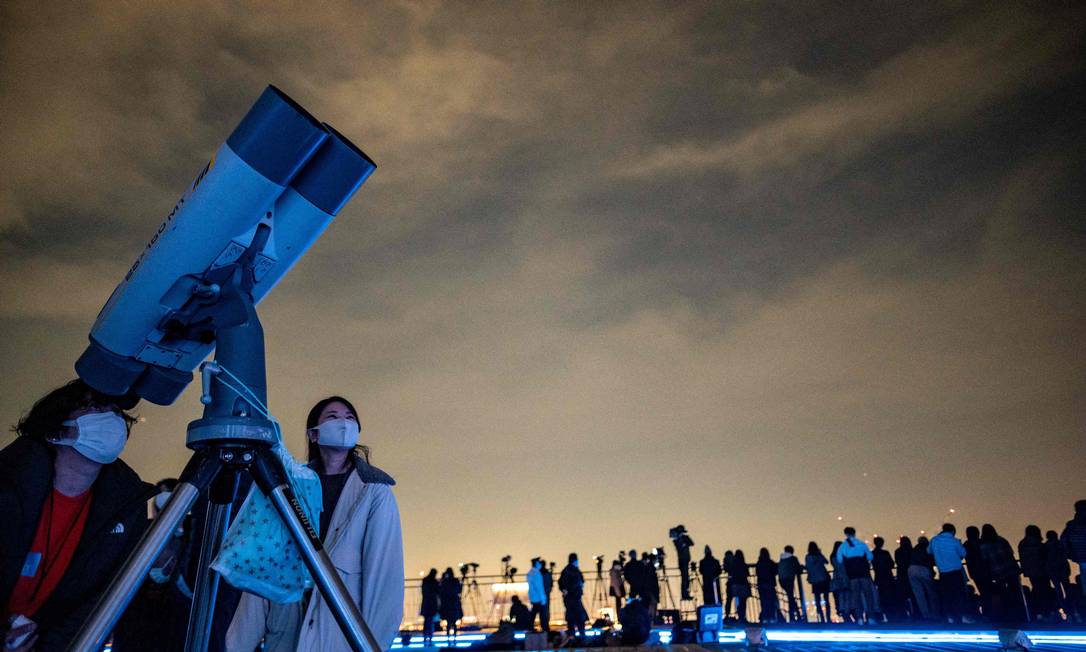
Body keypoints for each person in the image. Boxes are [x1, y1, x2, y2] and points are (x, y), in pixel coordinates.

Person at [226, 396, 404, 652]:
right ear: (313, 434)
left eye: (350, 417)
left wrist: (370, 645)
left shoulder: (374, 492)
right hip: (286, 629)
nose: (343, 423)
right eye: (332, 417)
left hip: (339, 636)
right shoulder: (288, 486)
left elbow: (383, 579)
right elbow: (266, 567)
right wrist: (237, 645)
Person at [1, 380, 155, 652]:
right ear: (55, 431)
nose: (111, 418)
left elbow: (98, 602)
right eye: (94, 406)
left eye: (117, 411)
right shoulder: (8, 486)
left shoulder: (125, 509)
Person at [980, 523, 1023, 623]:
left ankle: (1005, 614)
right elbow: (1010, 553)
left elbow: (985, 560)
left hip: (997, 572)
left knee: (1002, 593)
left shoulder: (984, 545)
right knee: (1015, 592)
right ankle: (1018, 613)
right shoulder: (1001, 540)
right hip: (1010, 569)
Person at [835, 527, 878, 624]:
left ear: (845, 534)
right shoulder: (862, 544)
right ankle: (871, 617)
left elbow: (839, 560)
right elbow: (870, 556)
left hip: (852, 575)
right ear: (854, 533)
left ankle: (859, 619)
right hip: (864, 573)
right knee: (868, 596)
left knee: (856, 597)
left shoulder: (843, 546)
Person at [931, 523, 969, 623]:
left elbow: (929, 551)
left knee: (947, 596)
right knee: (958, 595)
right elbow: (963, 553)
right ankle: (960, 617)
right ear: (952, 531)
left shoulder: (934, 540)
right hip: (956, 573)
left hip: (943, 573)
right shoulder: (955, 541)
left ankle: (949, 617)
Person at [1019, 525, 1051, 621]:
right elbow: (1044, 556)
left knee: (1036, 589)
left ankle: (1037, 611)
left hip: (1031, 571)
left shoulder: (1023, 544)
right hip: (1042, 570)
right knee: (1044, 590)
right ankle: (1045, 611)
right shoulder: (1038, 543)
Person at [1045, 530, 1074, 622]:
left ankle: (1062, 606)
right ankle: (1069, 608)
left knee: (1058, 590)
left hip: (1053, 571)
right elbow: (1066, 554)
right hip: (1062, 569)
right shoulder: (1060, 545)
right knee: (1067, 588)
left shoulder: (1045, 546)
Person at [908, 536, 939, 621]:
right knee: (931, 593)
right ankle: (935, 614)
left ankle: (925, 615)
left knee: (919, 594)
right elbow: (932, 560)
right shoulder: (927, 549)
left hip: (911, 569)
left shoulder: (914, 549)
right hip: (924, 569)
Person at [558, 553, 587, 638]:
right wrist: (565, 590)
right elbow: (563, 583)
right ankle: (576, 634)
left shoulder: (573, 570)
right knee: (575, 616)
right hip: (571, 597)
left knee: (576, 616)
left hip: (575, 596)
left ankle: (576, 634)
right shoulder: (569, 571)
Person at [964, 526, 990, 620]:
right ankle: (989, 612)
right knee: (987, 592)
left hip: (975, 572)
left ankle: (985, 612)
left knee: (983, 591)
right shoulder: (982, 542)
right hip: (986, 571)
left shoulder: (966, 545)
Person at [1061, 500, 1086, 597]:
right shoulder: (1072, 526)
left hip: (1081, 559)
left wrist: (1071, 555)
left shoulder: (1071, 526)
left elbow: (1063, 542)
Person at [871, 537, 896, 622]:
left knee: (880, 597)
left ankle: (881, 615)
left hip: (878, 577)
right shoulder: (885, 553)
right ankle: (892, 615)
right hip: (888, 577)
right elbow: (892, 564)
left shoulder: (872, 554)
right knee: (890, 596)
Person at [805, 542, 831, 623]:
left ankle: (821, 618)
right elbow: (826, 562)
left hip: (814, 581)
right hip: (824, 579)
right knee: (826, 599)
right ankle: (828, 618)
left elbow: (808, 567)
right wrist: (820, 553)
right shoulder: (819, 556)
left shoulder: (808, 557)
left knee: (817, 600)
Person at [778, 545, 803, 623]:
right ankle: (795, 616)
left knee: (790, 597)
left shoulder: (781, 559)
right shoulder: (793, 559)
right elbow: (799, 569)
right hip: (789, 580)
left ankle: (796, 615)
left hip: (782, 580)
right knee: (791, 598)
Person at [755, 548, 779, 623]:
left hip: (761, 584)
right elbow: (775, 571)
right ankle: (772, 617)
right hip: (770, 584)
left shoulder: (759, 563)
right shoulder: (770, 562)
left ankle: (765, 617)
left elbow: (757, 573)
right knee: (771, 601)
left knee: (764, 602)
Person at [829, 541, 851, 621]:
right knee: (848, 596)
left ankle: (843, 613)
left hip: (837, 578)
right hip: (845, 577)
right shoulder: (844, 556)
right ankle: (848, 612)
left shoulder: (832, 556)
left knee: (840, 597)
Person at [672, 526, 695, 600]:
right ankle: (685, 594)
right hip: (682, 561)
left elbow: (692, 543)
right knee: (684, 577)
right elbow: (679, 547)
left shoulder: (684, 539)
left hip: (685, 560)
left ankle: (686, 592)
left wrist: (686, 539)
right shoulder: (677, 540)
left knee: (686, 577)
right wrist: (683, 540)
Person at [439, 567, 463, 638]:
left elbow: (441, 591)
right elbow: (459, 590)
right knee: (454, 620)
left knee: (448, 621)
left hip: (447, 603)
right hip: (454, 602)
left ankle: (448, 635)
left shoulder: (445, 581)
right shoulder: (455, 581)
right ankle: (454, 635)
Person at [727, 549, 751, 622]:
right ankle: (742, 616)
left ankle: (732, 615)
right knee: (743, 602)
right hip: (743, 584)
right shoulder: (744, 564)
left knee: (735, 600)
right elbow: (747, 574)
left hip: (735, 585)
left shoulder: (733, 565)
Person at [527, 557, 550, 631]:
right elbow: (539, 586)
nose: (540, 564)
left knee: (534, 612)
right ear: (536, 564)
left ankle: (530, 626)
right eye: (539, 563)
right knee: (542, 614)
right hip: (538, 598)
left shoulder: (530, 573)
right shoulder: (537, 573)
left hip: (533, 597)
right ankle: (545, 628)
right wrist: (543, 598)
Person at [722, 550, 736, 619]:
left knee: (729, 600)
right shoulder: (736, 559)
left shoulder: (726, 560)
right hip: (737, 582)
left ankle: (727, 614)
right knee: (739, 600)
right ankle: (741, 615)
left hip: (730, 582)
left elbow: (725, 569)